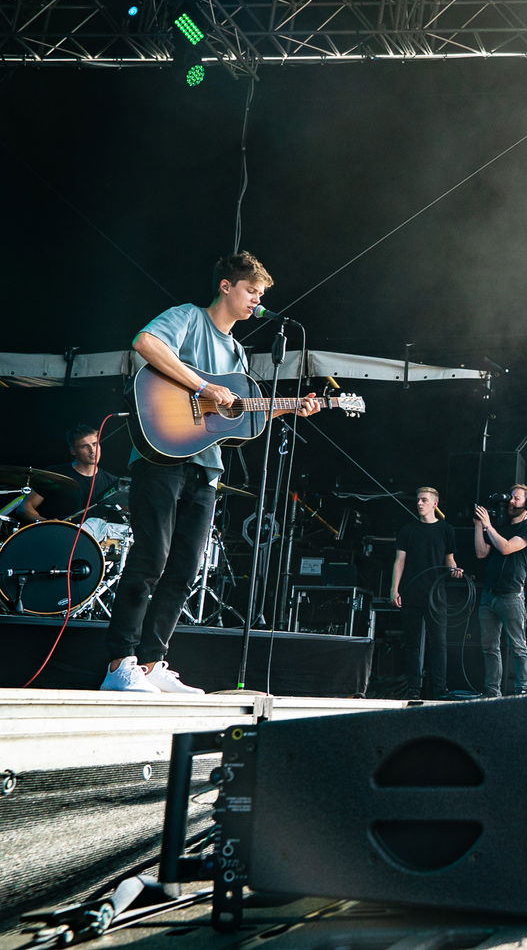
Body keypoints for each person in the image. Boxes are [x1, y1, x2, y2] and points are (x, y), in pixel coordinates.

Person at [103, 252, 320, 694]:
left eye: (261, 295)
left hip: (206, 468)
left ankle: (151, 663)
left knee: (184, 569)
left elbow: (237, 418)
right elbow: (145, 343)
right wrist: (203, 386)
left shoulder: (238, 352)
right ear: (227, 286)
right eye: (251, 291)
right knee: (150, 560)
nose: (256, 301)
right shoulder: (188, 317)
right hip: (161, 459)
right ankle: (118, 663)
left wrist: (291, 407)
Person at [391, 486, 463, 700]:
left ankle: (439, 689)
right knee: (412, 642)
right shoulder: (408, 530)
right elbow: (399, 561)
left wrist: (455, 570)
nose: (419, 503)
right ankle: (414, 689)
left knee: (438, 642)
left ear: (434, 504)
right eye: (418, 500)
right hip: (411, 592)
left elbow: (449, 560)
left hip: (436, 594)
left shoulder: (446, 530)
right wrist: (394, 589)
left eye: (424, 500)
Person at [472, 484, 527, 697]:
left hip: (511, 595)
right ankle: (492, 691)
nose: (511, 501)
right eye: (510, 497)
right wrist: (478, 526)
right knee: (489, 647)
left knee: (518, 646)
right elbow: (482, 553)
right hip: (489, 594)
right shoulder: (501, 525)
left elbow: (507, 548)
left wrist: (489, 527)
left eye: (516, 498)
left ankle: (523, 690)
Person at [20, 425, 114, 523]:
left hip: (94, 538)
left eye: (95, 444)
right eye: (84, 446)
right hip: (58, 533)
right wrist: (45, 522)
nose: (92, 450)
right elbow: (25, 507)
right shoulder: (54, 474)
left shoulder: (112, 482)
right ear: (73, 451)